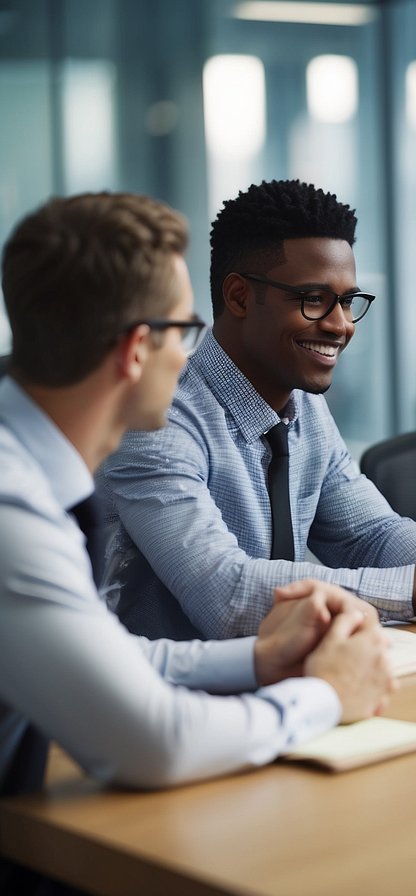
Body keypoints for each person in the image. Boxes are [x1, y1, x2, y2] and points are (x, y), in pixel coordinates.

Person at [0, 191, 395, 804]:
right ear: (136, 350)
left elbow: (109, 656)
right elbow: (154, 743)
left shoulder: (31, 474)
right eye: (185, 329)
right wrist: (323, 695)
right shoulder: (11, 510)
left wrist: (261, 662)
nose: (193, 354)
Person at [99, 180, 416, 641]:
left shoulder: (303, 402)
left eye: (348, 301)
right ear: (239, 297)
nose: (341, 325)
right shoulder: (156, 420)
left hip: (283, 675)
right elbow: (224, 593)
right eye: (314, 300)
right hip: (176, 695)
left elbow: (369, 533)